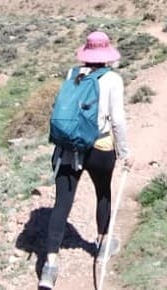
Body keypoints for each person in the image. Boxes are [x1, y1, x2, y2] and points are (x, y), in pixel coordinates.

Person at [40, 31, 132, 289]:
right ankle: (102, 244)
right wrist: (125, 152)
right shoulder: (113, 79)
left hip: (68, 148)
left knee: (61, 204)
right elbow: (118, 119)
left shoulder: (72, 75)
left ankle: (50, 264)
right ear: (107, 54)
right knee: (103, 193)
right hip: (99, 147)